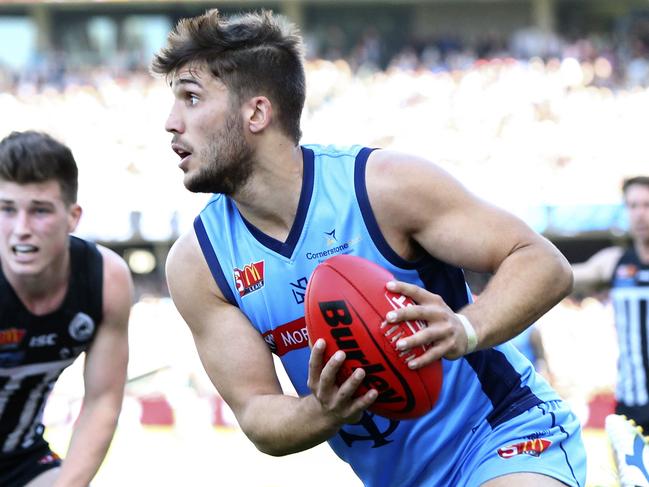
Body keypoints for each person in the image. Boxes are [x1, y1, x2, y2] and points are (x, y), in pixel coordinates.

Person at [154, 9, 586, 486]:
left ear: (256, 112)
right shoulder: (199, 263)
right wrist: (323, 410)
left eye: (191, 99)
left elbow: (544, 263)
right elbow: (258, 414)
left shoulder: (382, 186)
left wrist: (466, 327)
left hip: (503, 432)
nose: (171, 123)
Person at [0, 131, 133, 487]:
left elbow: (102, 401)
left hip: (21, 459)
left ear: (73, 217)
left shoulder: (105, 279)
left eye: (39, 211)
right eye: (6, 210)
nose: (21, 230)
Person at [572, 176, 649, 433]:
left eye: (647, 205)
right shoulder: (614, 262)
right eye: (633, 205)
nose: (639, 214)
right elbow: (561, 277)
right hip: (631, 406)